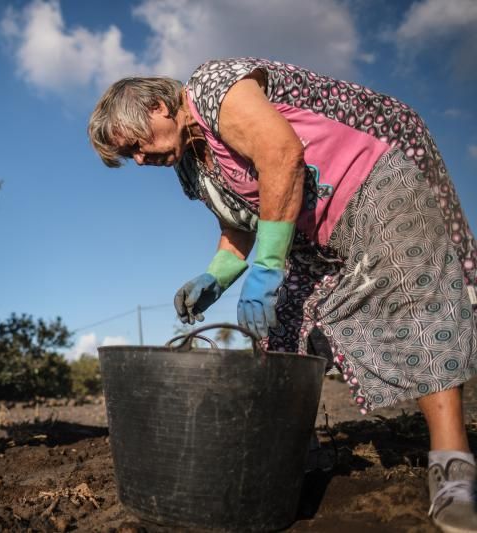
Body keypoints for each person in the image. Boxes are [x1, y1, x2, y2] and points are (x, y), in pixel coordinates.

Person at [88, 58, 477, 532]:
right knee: (284, 327)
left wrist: (269, 267)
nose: (141, 160)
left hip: (373, 182)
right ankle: (290, 456)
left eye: (137, 145)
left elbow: (281, 155)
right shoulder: (191, 168)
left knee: (412, 304)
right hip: (310, 231)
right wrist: (214, 278)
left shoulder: (214, 89)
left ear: (157, 106)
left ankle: (452, 468)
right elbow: (238, 226)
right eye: (131, 158)